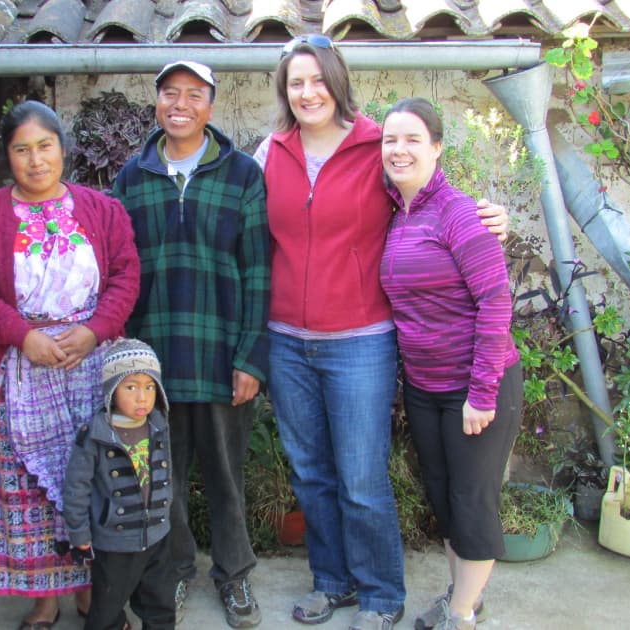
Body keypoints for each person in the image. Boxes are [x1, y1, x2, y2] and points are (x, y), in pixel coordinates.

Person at [253, 37, 509, 630]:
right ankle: (332, 582)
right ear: (284, 91)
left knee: (362, 475)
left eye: (318, 80)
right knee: (311, 472)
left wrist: (489, 214)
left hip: (360, 339)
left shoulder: (376, 145)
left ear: (337, 83)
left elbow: (432, 199)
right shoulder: (271, 151)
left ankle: (380, 594)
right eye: (296, 82)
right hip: (288, 338)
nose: (307, 92)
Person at [0, 100, 140, 630]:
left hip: (89, 366)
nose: (36, 160)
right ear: (8, 157)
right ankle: (43, 599)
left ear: (63, 148)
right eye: (21, 150)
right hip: (19, 369)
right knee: (28, 493)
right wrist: (22, 335)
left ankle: (88, 594)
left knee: (94, 483)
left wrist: (95, 329)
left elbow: (125, 275)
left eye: (45, 146)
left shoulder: (102, 210)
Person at [111, 60, 270, 629]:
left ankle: (234, 575)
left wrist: (251, 356)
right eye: (170, 93)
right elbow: (119, 271)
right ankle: (174, 573)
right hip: (152, 364)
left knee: (226, 478)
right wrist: (120, 359)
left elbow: (258, 273)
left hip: (223, 357)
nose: (180, 103)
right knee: (163, 479)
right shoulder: (132, 177)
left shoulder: (243, 174)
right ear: (157, 103)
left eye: (193, 95)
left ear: (210, 106)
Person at [378, 97, 523, 630]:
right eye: (391, 140)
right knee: (443, 496)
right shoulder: (395, 210)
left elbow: (495, 301)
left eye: (413, 139)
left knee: (471, 499)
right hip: (424, 388)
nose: (400, 149)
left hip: (476, 385)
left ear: (437, 148)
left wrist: (481, 393)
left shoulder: (459, 212)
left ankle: (461, 615)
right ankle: (462, 596)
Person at [62, 338, 175, 630]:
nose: (142, 398)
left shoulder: (159, 426)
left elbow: (167, 473)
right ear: (112, 391)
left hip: (157, 536)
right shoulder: (94, 435)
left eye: (150, 387)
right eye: (131, 387)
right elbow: (77, 488)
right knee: (107, 607)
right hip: (115, 540)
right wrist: (79, 533)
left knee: (160, 603)